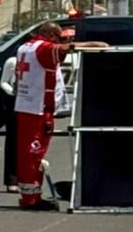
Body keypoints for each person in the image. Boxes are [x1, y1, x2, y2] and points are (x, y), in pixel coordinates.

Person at [14, 21, 108, 210]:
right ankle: (30, 199)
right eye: (59, 37)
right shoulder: (43, 49)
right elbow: (64, 49)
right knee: (33, 155)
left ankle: (31, 195)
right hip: (37, 108)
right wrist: (94, 45)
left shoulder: (26, 47)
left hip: (28, 105)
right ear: (50, 35)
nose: (61, 41)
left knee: (29, 154)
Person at [0, 54, 18, 192]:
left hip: (34, 102)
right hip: (16, 101)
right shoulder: (13, 61)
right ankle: (12, 179)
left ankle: (29, 179)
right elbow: (4, 82)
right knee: (13, 139)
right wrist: (13, 92)